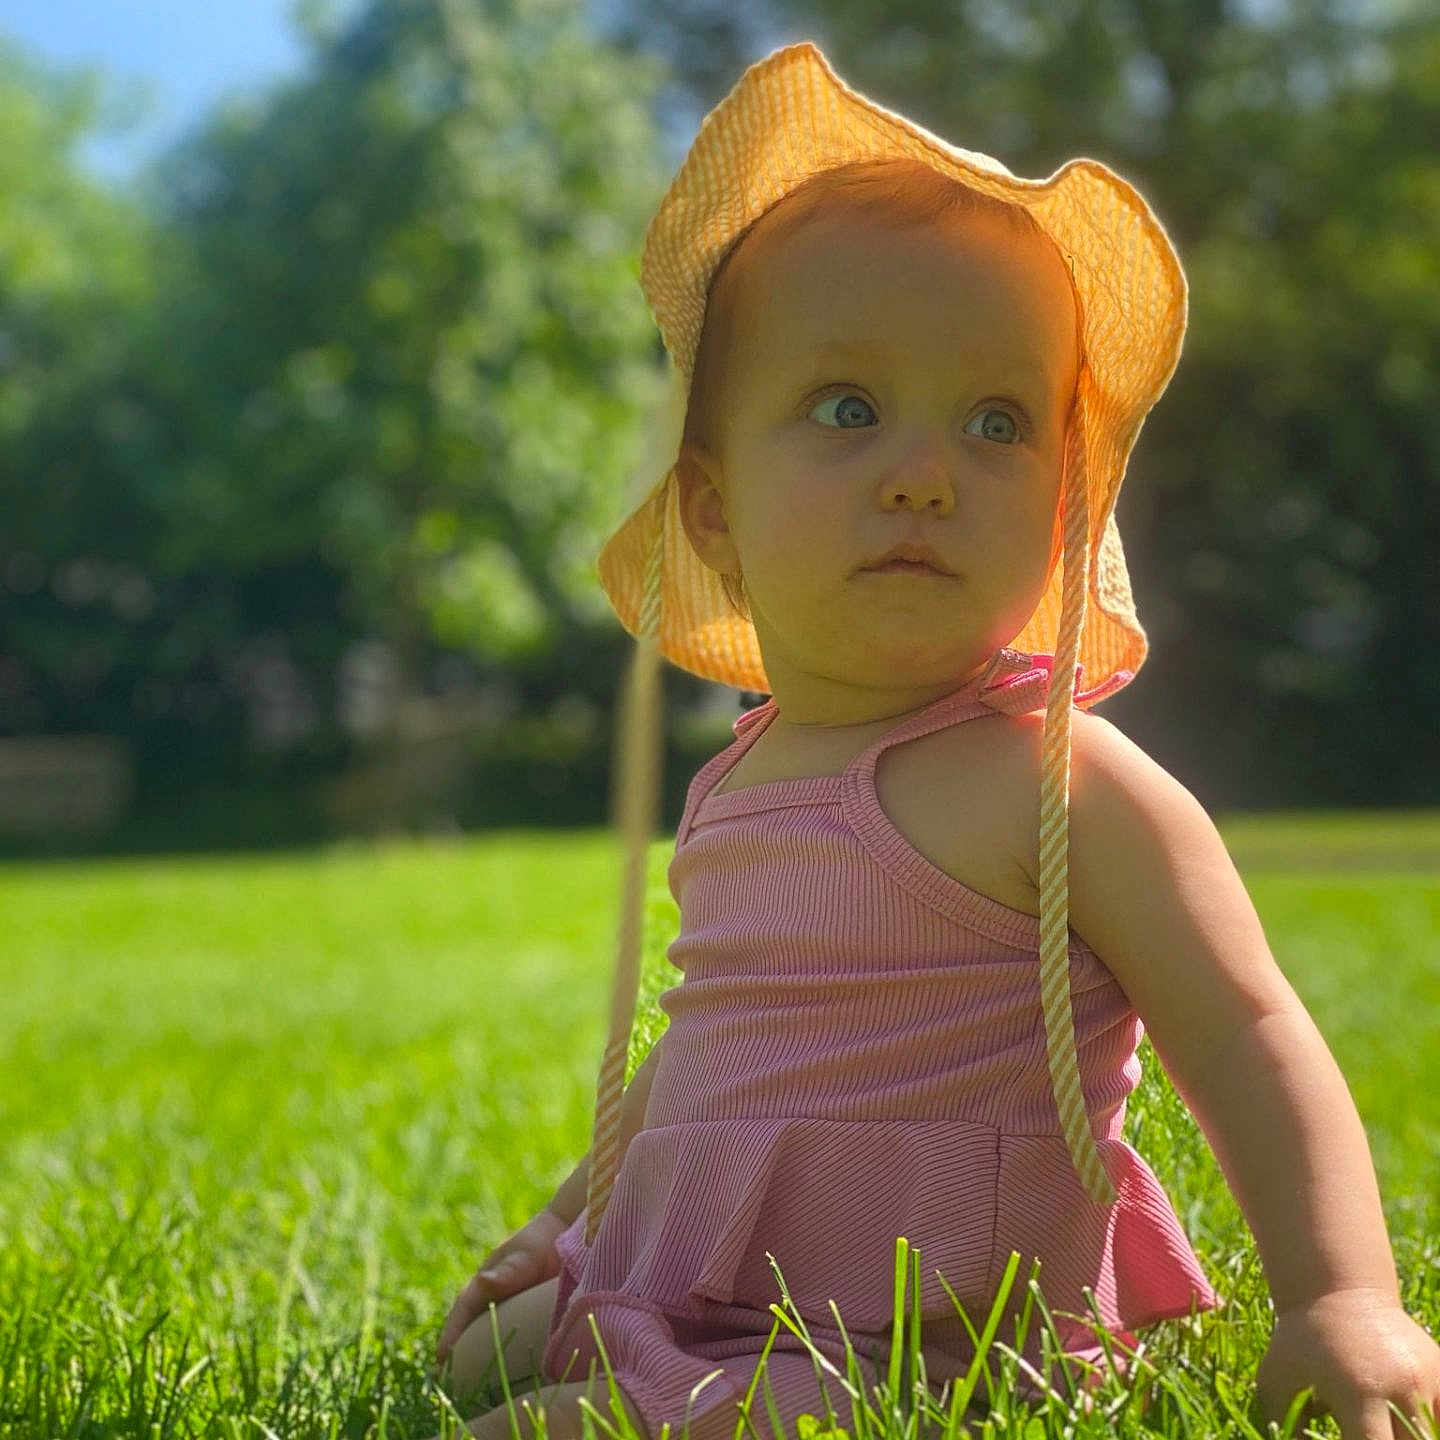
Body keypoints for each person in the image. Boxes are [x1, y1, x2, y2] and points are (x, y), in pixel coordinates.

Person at [429, 40, 1440, 1440]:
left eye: (996, 422)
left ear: (1063, 508)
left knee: (537, 1429)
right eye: (846, 410)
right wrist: (568, 1216)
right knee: (480, 1356)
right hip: (728, 1272)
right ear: (712, 512)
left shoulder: (1056, 782)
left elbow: (1249, 1030)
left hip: (937, 1335)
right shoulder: (739, 780)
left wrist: (1343, 1295)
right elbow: (712, 1042)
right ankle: (653, 1332)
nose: (923, 472)